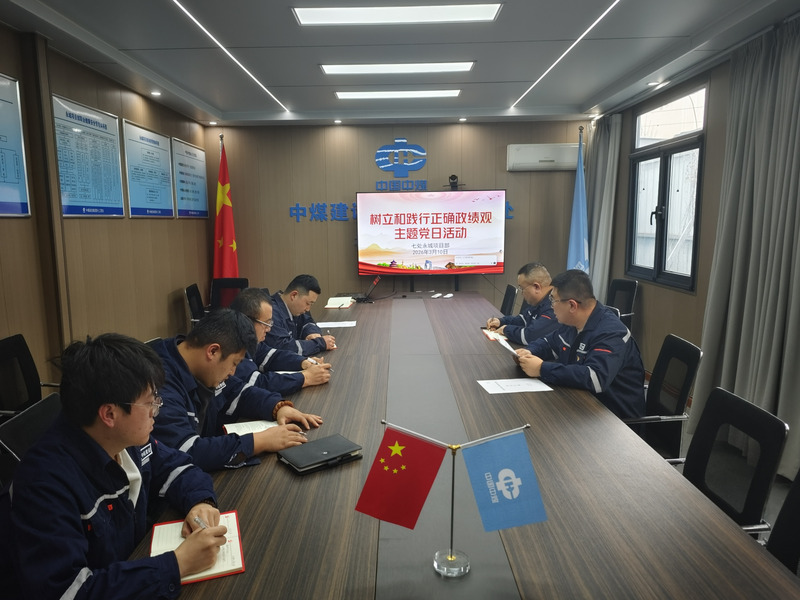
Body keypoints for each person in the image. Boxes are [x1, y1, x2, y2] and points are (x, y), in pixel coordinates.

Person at [0, 334, 227, 600]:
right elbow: (69, 592)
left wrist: (200, 502)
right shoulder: (44, 485)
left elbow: (177, 466)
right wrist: (177, 565)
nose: (157, 409)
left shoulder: (123, 438)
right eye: (150, 402)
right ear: (109, 414)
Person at [150, 309, 321, 472]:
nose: (232, 372)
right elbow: (186, 451)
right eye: (234, 363)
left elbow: (236, 391)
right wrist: (259, 441)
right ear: (213, 351)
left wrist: (277, 407)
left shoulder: (201, 368)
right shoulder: (158, 383)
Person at [516, 269, 645, 420]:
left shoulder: (612, 332)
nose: (551, 306)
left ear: (572, 305)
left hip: (614, 419)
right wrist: (530, 351)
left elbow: (595, 378)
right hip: (582, 405)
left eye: (554, 300)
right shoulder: (572, 322)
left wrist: (541, 368)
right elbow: (550, 343)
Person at [230, 287, 331, 397]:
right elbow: (257, 384)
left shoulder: (250, 341)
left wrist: (303, 362)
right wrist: (305, 378)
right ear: (247, 321)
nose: (268, 329)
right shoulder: (231, 347)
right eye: (266, 323)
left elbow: (271, 356)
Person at [486, 262, 559, 345]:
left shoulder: (554, 305)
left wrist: (505, 329)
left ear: (536, 287)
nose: (522, 293)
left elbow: (530, 336)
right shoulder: (539, 301)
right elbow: (523, 319)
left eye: (522, 288)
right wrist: (501, 321)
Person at [266, 274, 336, 356]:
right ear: (294, 295)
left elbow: (308, 321)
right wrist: (319, 343)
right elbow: (285, 347)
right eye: (308, 303)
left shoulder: (293, 308)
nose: (308, 309)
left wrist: (312, 332)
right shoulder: (271, 312)